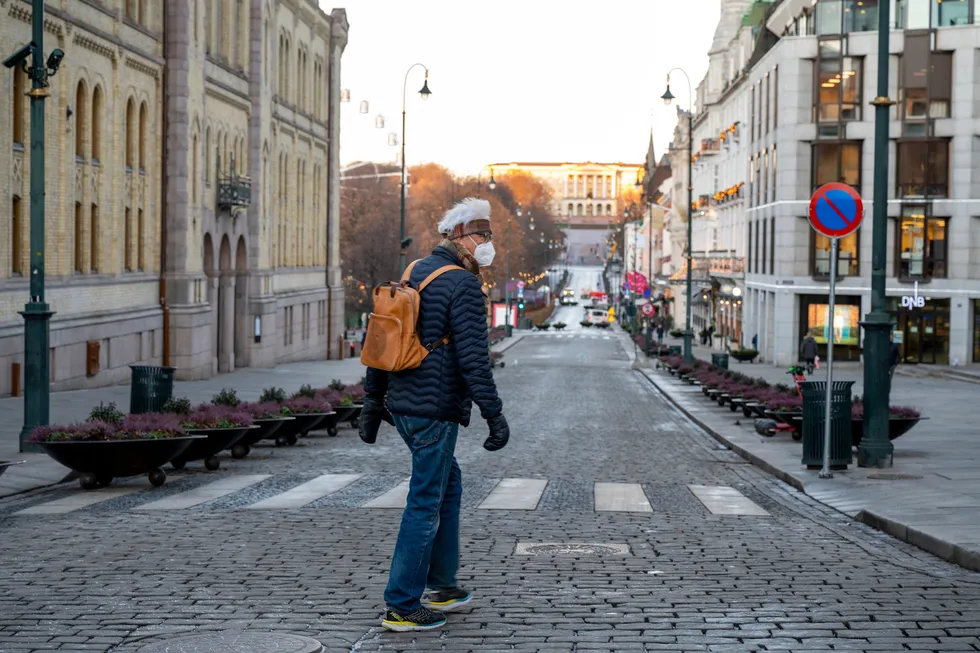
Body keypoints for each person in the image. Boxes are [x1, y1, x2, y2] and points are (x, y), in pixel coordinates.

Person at [359, 198, 510, 633]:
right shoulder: (462, 285)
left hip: (404, 406)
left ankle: (443, 585)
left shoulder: (414, 272)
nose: (488, 244)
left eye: (490, 236)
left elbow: (383, 336)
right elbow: (473, 360)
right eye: (483, 236)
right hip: (433, 408)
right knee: (425, 500)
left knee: (448, 484)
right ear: (460, 237)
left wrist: (374, 399)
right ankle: (402, 604)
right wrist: (494, 415)